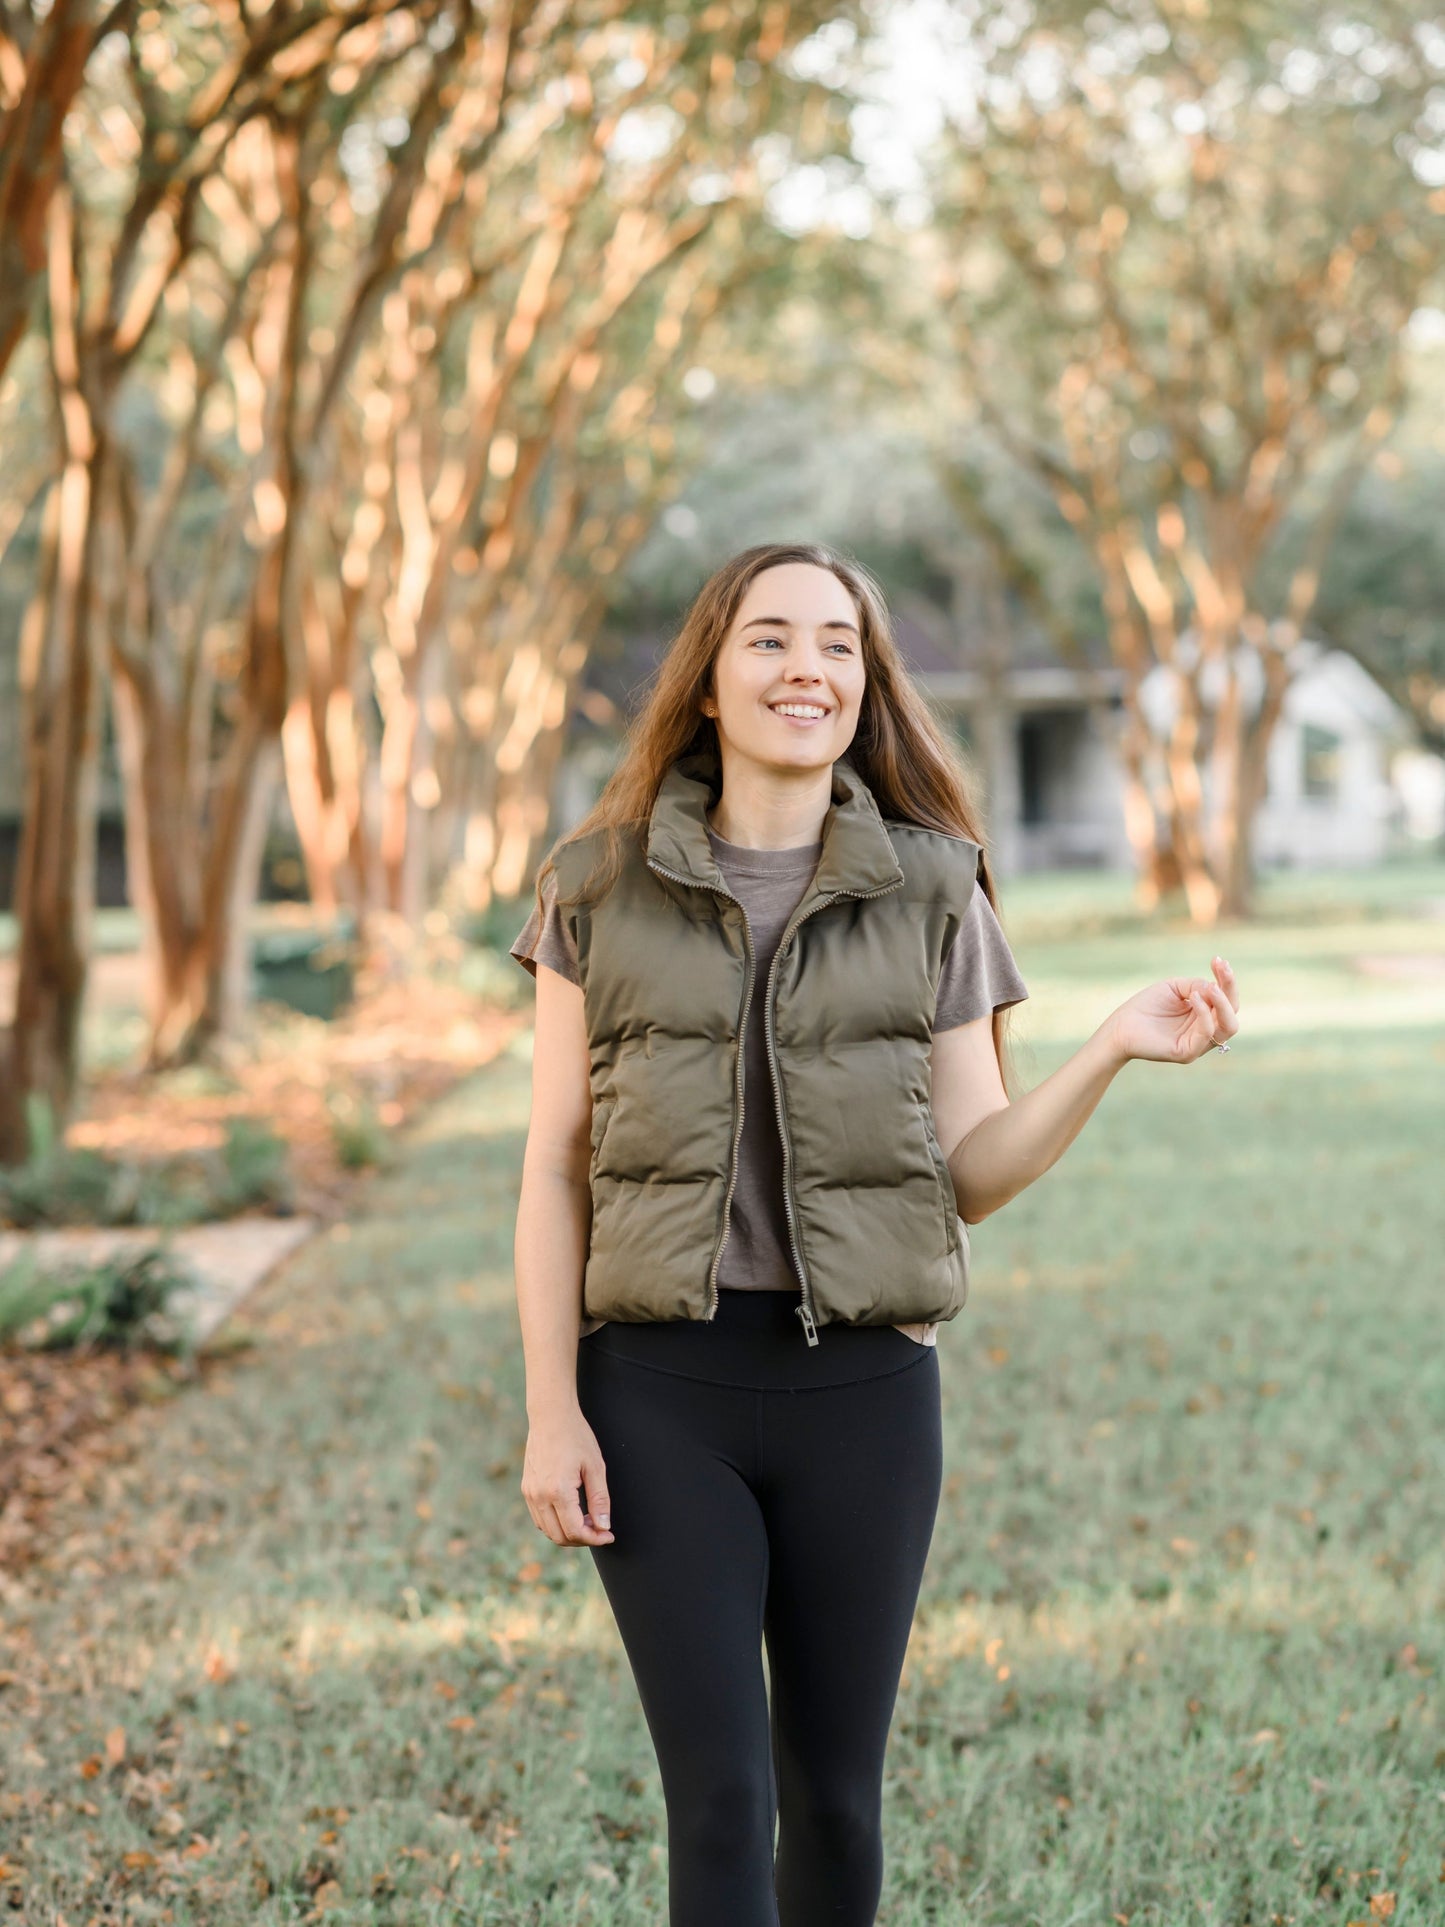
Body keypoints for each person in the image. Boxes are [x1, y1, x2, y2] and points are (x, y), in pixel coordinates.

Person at [509, 543, 1240, 1927]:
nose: (807, 669)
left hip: (865, 1395)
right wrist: (554, 1413)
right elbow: (551, 1169)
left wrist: (1107, 1053)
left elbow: (971, 1169)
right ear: (712, 683)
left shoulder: (931, 888)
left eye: (837, 645)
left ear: (865, 683)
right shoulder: (595, 887)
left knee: (836, 1798)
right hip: (660, 1393)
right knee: (721, 1799)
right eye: (772, 640)